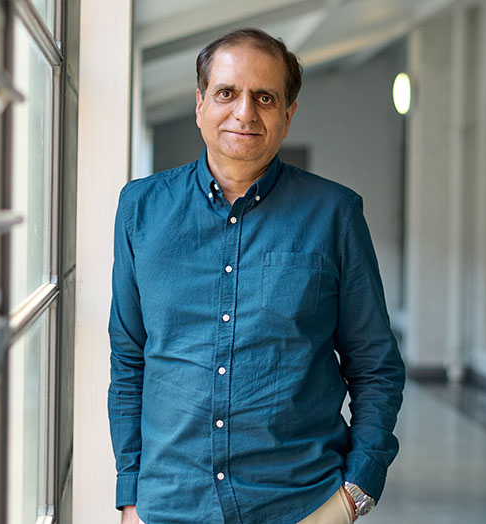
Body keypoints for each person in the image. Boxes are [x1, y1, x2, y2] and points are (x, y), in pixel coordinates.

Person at [108, 28, 405, 524]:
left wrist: (355, 493)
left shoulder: (335, 214)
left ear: (287, 115)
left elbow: (376, 366)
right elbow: (128, 360)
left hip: (302, 505)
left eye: (264, 97)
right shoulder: (140, 209)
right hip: (170, 506)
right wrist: (131, 498)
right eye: (227, 93)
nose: (244, 112)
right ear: (200, 103)